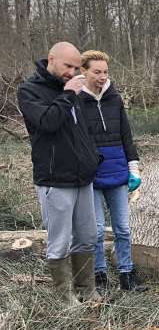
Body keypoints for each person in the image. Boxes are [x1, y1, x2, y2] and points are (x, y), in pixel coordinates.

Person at [18, 42, 104, 307]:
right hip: (55, 180)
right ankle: (66, 300)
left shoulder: (74, 91)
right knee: (60, 242)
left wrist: (93, 158)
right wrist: (67, 95)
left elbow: (81, 130)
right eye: (68, 66)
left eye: (77, 67)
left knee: (88, 236)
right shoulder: (29, 91)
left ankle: (87, 291)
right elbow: (48, 123)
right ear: (51, 59)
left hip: (82, 178)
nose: (73, 72)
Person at [78, 50, 148, 294]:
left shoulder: (114, 98)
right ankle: (100, 277)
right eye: (97, 72)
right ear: (83, 71)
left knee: (123, 228)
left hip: (118, 171)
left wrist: (133, 166)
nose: (102, 76)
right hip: (91, 174)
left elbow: (126, 134)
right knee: (96, 230)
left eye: (105, 72)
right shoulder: (75, 100)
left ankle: (127, 275)